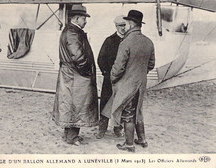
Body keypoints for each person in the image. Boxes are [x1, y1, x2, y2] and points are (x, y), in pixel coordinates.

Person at [101, 10, 155, 152]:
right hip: (141, 83)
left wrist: (113, 78)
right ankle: (142, 139)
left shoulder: (126, 42)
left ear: (130, 24)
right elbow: (151, 64)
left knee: (128, 113)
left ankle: (129, 144)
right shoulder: (148, 41)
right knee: (139, 110)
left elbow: (118, 67)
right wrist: (140, 73)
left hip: (128, 84)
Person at [52, 4, 99, 146]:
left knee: (71, 105)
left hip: (71, 75)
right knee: (78, 105)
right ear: (77, 18)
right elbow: (78, 56)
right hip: (76, 76)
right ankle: (72, 137)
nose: (86, 21)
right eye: (84, 18)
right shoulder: (73, 33)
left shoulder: (71, 31)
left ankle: (68, 135)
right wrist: (87, 72)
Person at [95, 15, 127, 139]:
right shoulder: (109, 40)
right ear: (116, 26)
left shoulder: (129, 40)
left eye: (125, 25)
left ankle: (118, 128)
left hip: (124, 80)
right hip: (110, 80)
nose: (123, 28)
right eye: (121, 25)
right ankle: (102, 129)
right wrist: (106, 73)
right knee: (105, 103)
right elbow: (100, 59)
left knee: (121, 104)